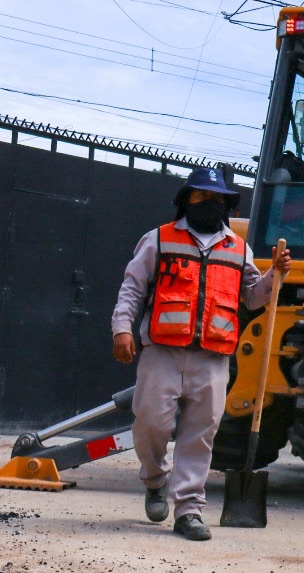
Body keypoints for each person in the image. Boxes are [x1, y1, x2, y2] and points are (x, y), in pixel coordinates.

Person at [111, 167, 291, 541]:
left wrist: (275, 276)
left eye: (217, 198)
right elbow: (132, 288)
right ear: (186, 200)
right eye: (201, 196)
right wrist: (122, 329)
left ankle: (189, 510)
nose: (209, 203)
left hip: (212, 357)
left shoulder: (238, 249)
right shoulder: (158, 239)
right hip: (162, 351)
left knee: (200, 434)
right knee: (150, 425)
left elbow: (253, 296)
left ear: (226, 204)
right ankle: (155, 480)